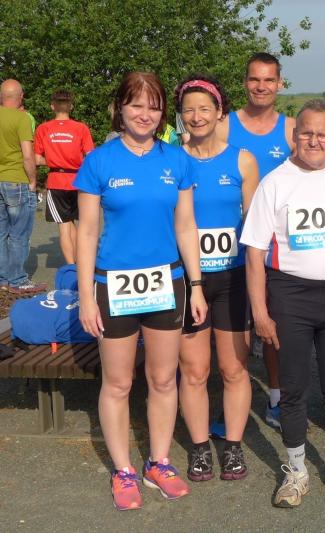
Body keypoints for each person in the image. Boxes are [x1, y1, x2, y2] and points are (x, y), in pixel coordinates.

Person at [75, 71, 207, 511]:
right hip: (113, 286)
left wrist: (197, 285)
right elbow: (86, 232)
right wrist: (86, 296)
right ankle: (123, 470)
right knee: (117, 383)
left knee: (163, 379)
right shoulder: (99, 161)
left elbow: (186, 226)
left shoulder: (177, 161)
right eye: (136, 104)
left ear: (163, 112)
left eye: (153, 106)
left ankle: (159, 462)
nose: (144, 114)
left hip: (167, 283)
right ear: (120, 108)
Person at [241, 99, 325, 507]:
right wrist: (260, 312)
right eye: (306, 133)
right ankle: (295, 470)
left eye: (322, 135)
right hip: (290, 295)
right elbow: (254, 252)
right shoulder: (275, 182)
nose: (314, 140)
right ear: (294, 136)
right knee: (293, 388)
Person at [174, 75, 259, 482]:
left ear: (219, 112)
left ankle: (233, 446)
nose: (196, 116)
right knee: (194, 370)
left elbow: (255, 227)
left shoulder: (243, 160)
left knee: (234, 369)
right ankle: (199, 447)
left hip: (232, 276)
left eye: (204, 109)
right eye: (189, 109)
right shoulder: (172, 160)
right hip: (188, 279)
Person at [217, 52, 295, 428]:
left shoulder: (292, 129)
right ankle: (229, 402)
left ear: (280, 83)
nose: (261, 87)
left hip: (277, 248)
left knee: (272, 326)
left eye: (268, 80)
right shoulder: (223, 126)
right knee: (231, 331)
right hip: (230, 246)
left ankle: (276, 398)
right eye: (254, 79)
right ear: (245, 82)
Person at [34, 90, 95, 264]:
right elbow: (91, 157)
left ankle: (71, 266)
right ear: (71, 106)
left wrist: (55, 160)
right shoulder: (81, 128)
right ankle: (79, 262)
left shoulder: (43, 128)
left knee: (64, 226)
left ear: (52, 106)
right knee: (73, 222)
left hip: (56, 180)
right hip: (78, 181)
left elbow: (36, 159)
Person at [0, 79, 46, 294]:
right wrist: (33, 181)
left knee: (1, 233)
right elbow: (28, 155)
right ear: (20, 97)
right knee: (19, 233)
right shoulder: (22, 118)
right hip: (17, 180)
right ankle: (17, 280)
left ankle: (3, 278)